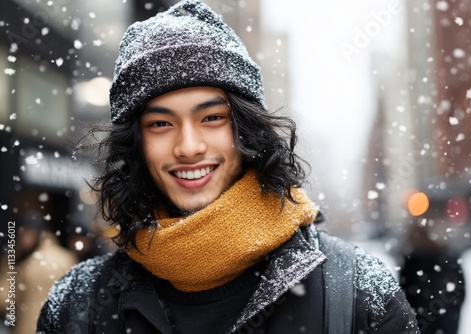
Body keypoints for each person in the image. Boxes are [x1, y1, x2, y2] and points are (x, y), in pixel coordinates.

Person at [37, 1, 419, 333]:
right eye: (160, 124)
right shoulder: (77, 305)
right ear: (136, 145)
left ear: (247, 129)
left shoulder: (355, 296)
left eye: (212, 118)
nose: (188, 147)